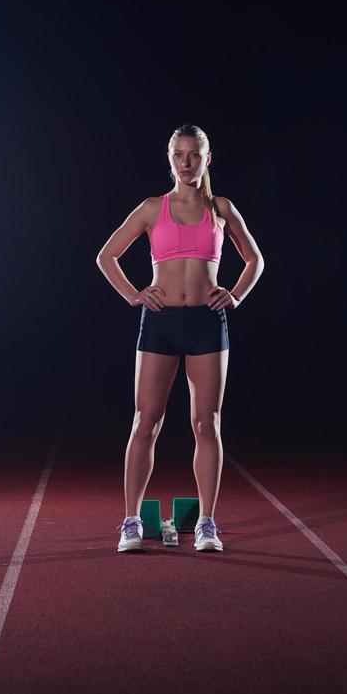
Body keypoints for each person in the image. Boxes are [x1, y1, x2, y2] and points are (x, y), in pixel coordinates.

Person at [96, 124, 264, 553]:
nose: (185, 162)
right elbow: (107, 255)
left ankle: (206, 523)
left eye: (194, 154)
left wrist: (236, 295)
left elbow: (254, 260)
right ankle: (131, 521)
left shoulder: (222, 208)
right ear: (169, 158)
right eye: (178, 154)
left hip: (207, 323)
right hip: (161, 322)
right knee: (145, 423)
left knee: (206, 424)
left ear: (208, 158)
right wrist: (134, 295)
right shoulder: (154, 208)